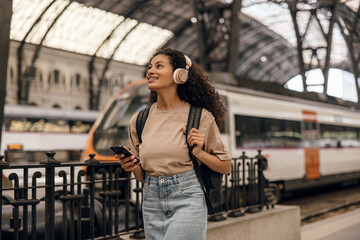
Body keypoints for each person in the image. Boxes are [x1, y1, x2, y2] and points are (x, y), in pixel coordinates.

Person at [115, 48, 231, 240]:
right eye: (150, 66)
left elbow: (226, 166)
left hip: (188, 196)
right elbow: (143, 176)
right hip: (151, 199)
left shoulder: (200, 117)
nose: (151, 71)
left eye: (159, 66)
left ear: (180, 74)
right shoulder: (139, 120)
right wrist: (132, 166)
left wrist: (199, 153)